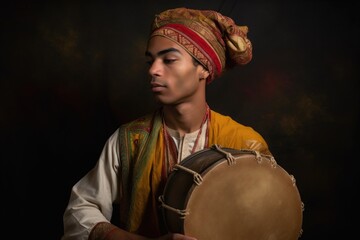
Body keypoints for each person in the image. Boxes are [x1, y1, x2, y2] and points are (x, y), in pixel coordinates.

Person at [61, 7, 272, 240]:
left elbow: (267, 221)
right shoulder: (130, 140)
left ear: (203, 68)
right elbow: (80, 210)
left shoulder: (245, 144)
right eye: (150, 61)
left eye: (169, 60)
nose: (153, 70)